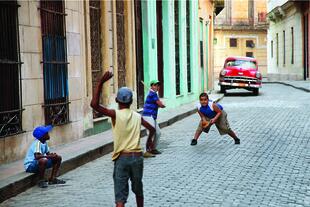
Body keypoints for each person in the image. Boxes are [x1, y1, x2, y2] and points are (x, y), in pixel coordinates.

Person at [90, 71, 155, 207]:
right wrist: (149, 142)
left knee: (120, 197)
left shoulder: (115, 114)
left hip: (122, 158)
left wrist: (101, 82)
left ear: (116, 100)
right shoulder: (138, 116)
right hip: (137, 157)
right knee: (138, 189)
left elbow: (94, 105)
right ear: (131, 101)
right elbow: (152, 129)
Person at [142, 80, 166, 158]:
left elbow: (157, 104)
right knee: (150, 133)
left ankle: (153, 148)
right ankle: (146, 151)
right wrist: (162, 105)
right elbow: (159, 104)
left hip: (152, 116)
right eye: (155, 85)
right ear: (151, 86)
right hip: (148, 115)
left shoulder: (154, 94)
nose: (157, 87)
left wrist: (160, 104)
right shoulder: (152, 94)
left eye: (158, 85)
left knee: (158, 133)